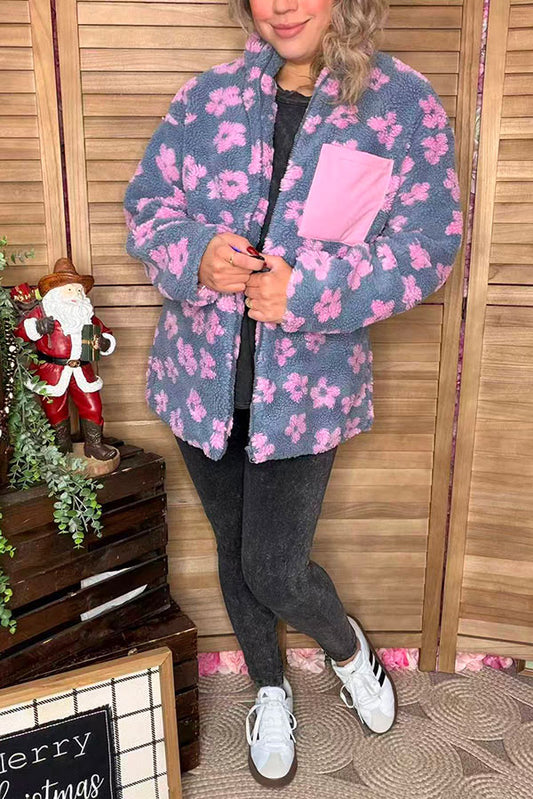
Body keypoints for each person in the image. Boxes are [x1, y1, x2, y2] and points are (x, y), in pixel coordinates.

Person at [123, 0, 463, 787]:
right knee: (234, 551)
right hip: (200, 379)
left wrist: (309, 289)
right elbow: (148, 208)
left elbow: (429, 244)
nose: (280, 5)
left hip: (306, 391)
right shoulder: (206, 97)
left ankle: (347, 649)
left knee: (273, 567)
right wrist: (194, 252)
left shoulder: (400, 104)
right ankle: (269, 686)